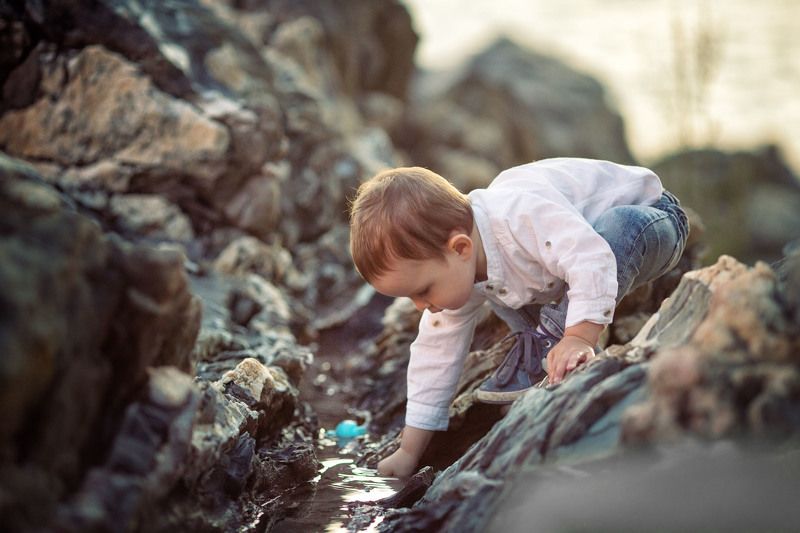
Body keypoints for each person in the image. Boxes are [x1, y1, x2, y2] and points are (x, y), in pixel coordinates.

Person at [348, 158, 688, 478]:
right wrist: (409, 451)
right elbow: (433, 356)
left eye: (422, 290)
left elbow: (589, 256)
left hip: (651, 220)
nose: (420, 306)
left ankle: (561, 334)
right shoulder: (461, 264)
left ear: (460, 248)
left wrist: (579, 336)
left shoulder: (520, 216)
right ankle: (538, 343)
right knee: (491, 284)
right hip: (565, 262)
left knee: (613, 230)